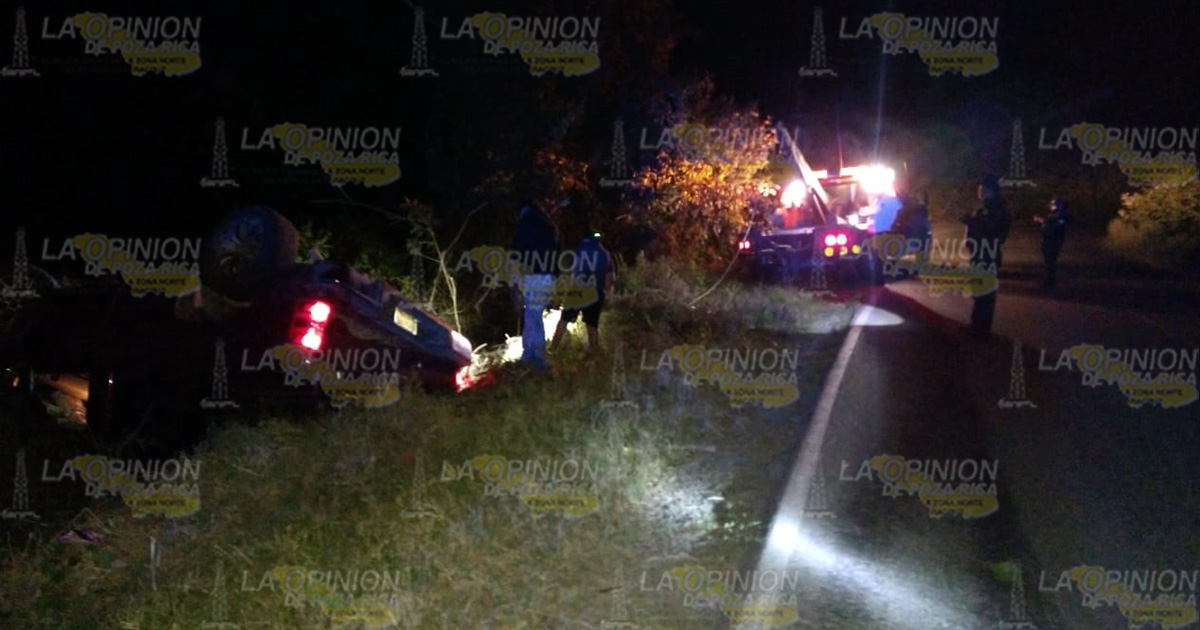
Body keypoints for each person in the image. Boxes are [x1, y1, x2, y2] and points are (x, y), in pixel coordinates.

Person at [511, 200, 561, 370]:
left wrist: (515, 283)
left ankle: (537, 358)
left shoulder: (525, 225)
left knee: (533, 316)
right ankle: (528, 355)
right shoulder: (550, 227)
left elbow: (516, 254)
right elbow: (558, 254)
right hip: (549, 277)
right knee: (532, 315)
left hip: (534, 277)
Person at [959, 174, 1011, 339]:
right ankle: (976, 325)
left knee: (985, 294)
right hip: (978, 255)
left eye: (984, 189)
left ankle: (982, 330)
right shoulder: (983, 209)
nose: (980, 191)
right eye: (979, 188)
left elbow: (996, 233)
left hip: (988, 256)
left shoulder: (998, 210)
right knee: (978, 292)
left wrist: (972, 222)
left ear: (993, 190)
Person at [550, 232, 614, 355]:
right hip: (595, 292)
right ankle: (593, 351)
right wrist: (606, 292)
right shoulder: (605, 253)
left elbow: (570, 271)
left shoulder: (579, 250)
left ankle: (553, 348)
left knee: (564, 319)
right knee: (592, 324)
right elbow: (609, 276)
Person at [1034, 198, 1068, 288]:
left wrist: (1042, 224)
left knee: (1050, 263)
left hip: (1052, 242)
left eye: (1053, 204)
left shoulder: (1057, 217)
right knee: (1050, 262)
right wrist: (1042, 222)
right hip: (1053, 242)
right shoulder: (1058, 217)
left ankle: (1050, 281)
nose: (1051, 206)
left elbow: (1049, 229)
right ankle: (1050, 280)